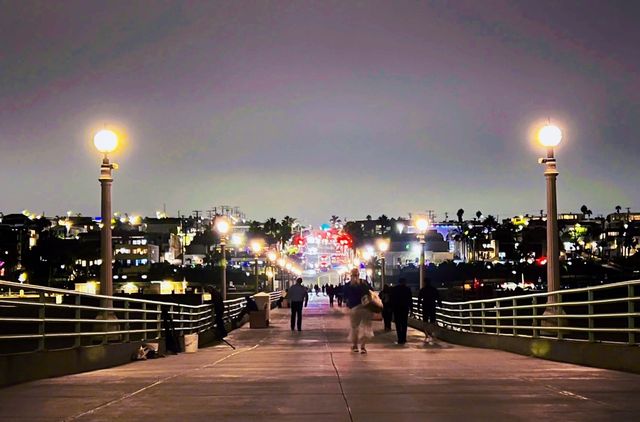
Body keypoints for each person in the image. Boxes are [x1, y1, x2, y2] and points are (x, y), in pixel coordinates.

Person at [344, 268, 373, 354]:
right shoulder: (364, 283)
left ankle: (355, 346)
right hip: (366, 308)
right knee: (365, 327)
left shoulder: (348, 285)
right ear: (359, 275)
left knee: (354, 327)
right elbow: (371, 291)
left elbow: (345, 296)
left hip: (354, 309)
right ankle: (363, 347)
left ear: (351, 275)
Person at [418, 278, 442, 343]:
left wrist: (418, 307)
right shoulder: (434, 289)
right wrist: (440, 305)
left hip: (425, 306)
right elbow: (438, 297)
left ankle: (427, 334)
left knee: (425, 321)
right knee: (432, 320)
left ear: (424, 282)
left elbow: (419, 299)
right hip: (432, 306)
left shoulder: (423, 290)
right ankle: (431, 332)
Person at [391, 278, 413, 344]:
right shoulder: (407, 289)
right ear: (405, 282)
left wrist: (392, 308)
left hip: (397, 309)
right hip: (405, 308)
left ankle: (399, 338)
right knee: (404, 323)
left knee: (398, 324)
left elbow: (392, 299)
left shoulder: (395, 289)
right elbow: (410, 300)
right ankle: (404, 338)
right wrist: (411, 309)